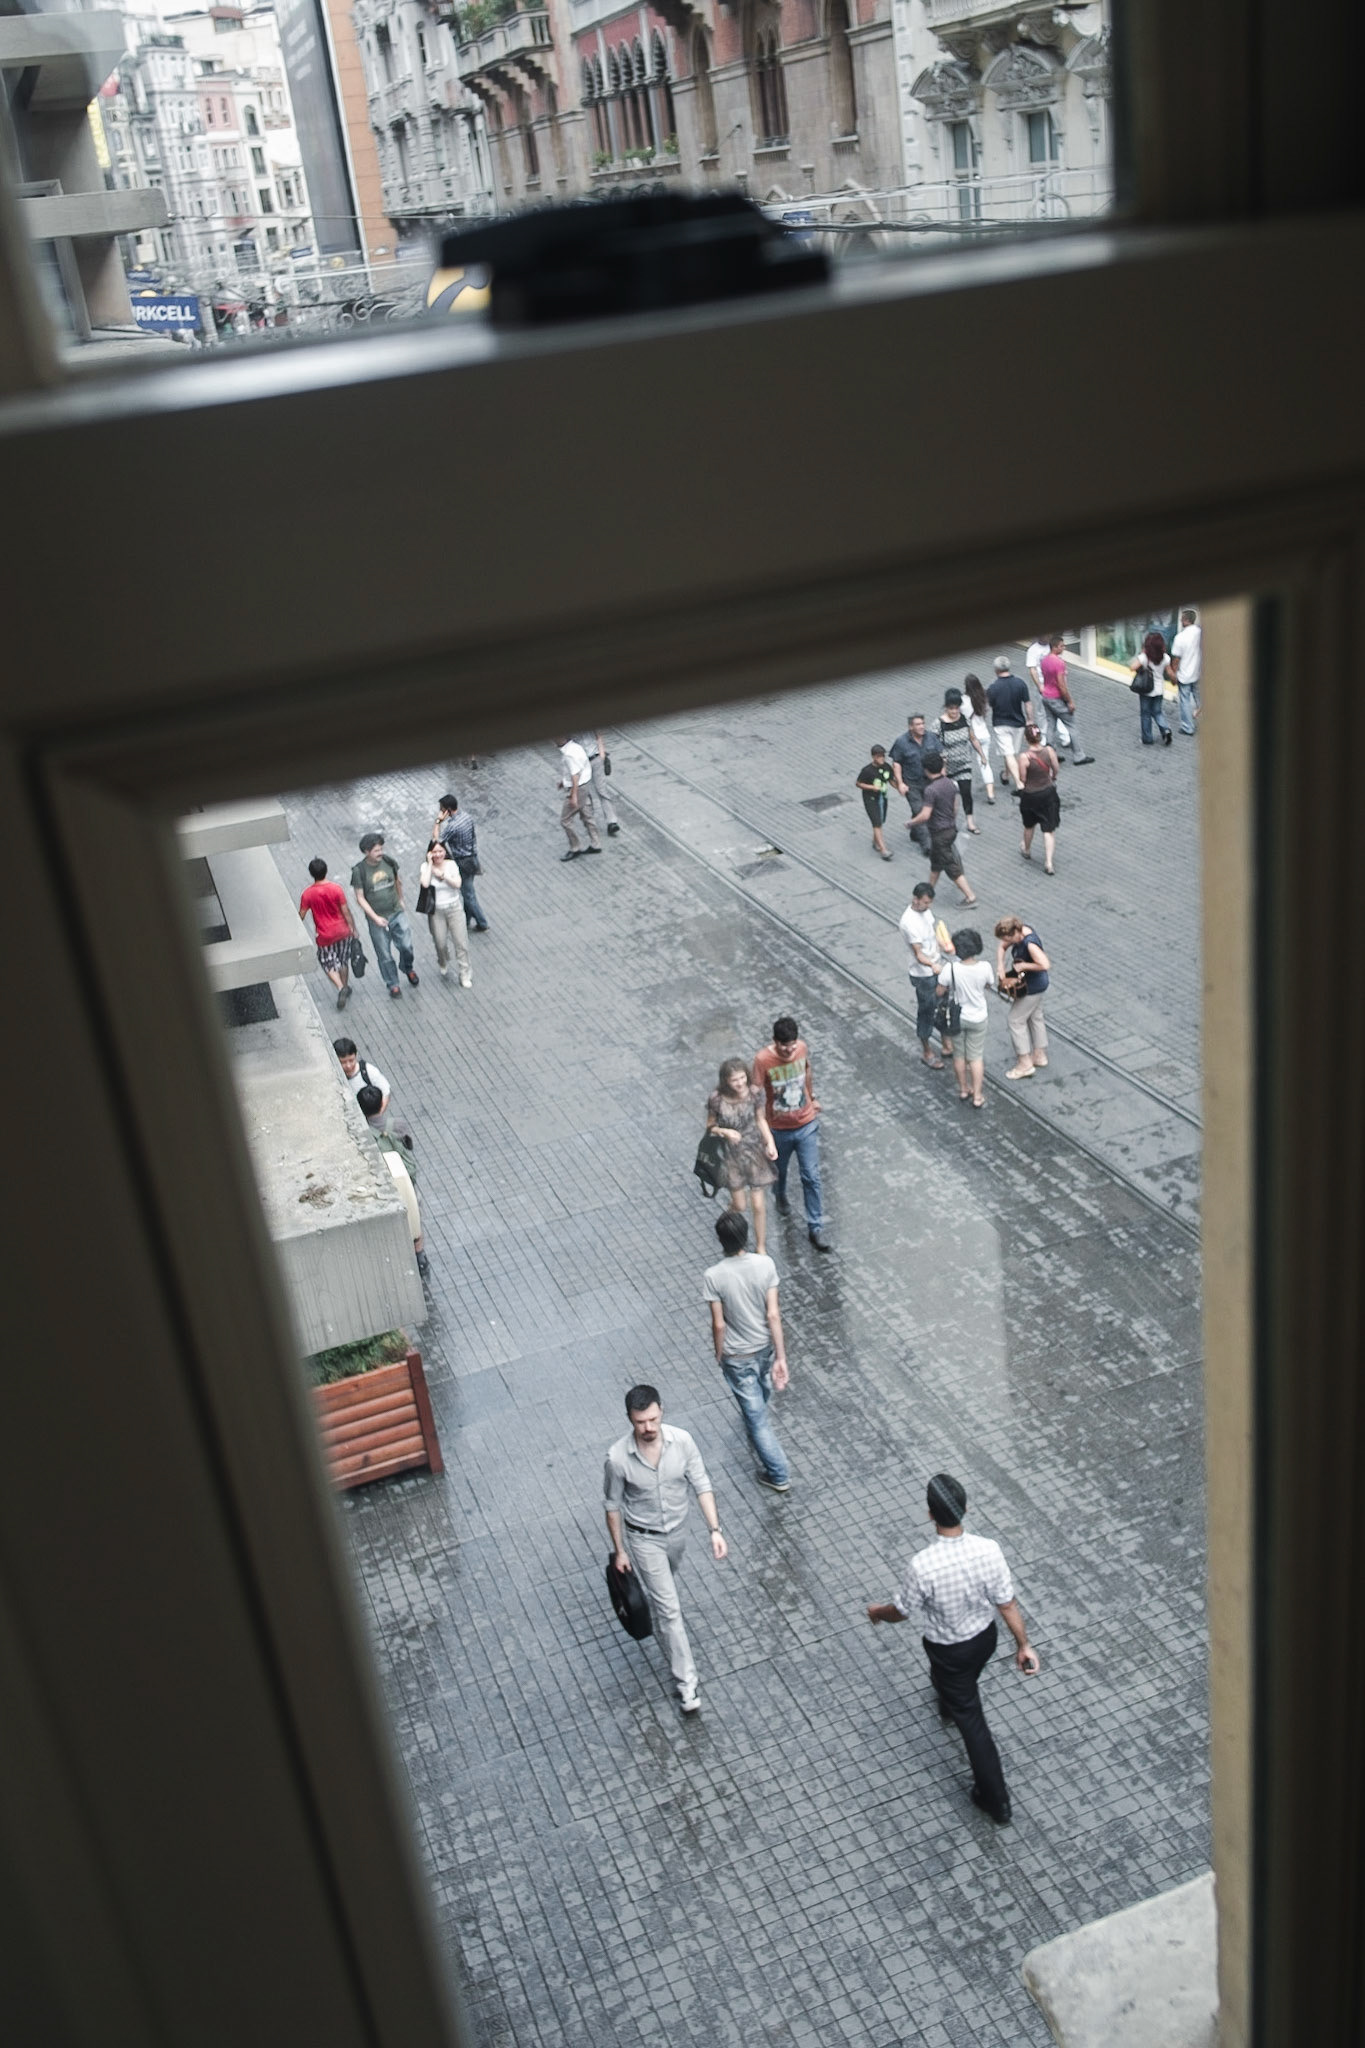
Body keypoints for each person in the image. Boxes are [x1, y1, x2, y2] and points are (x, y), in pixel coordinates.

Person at [866, 1473, 1040, 1826]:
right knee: (959, 1685)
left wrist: (878, 1613)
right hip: (983, 1641)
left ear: (930, 1514)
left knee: (972, 1723)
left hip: (947, 1649)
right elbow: (1006, 1603)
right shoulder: (988, 1549)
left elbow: (902, 1611)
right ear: (965, 1509)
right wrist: (1023, 1645)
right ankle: (949, 1703)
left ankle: (996, 1800)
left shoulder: (923, 1565)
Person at [603, 1385, 728, 1715]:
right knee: (671, 1610)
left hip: (678, 1533)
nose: (648, 1427)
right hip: (644, 1539)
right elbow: (612, 1506)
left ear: (662, 1411)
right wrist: (620, 1550)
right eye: (640, 1421)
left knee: (665, 1592)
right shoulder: (617, 1458)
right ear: (630, 1419)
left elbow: (701, 1483)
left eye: (653, 1419)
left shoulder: (682, 1442)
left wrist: (714, 1529)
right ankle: (687, 1684)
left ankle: (662, 1607)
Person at [703, 1210, 790, 1492]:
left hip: (736, 1356)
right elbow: (773, 1315)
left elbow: (718, 1324)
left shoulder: (713, 1276)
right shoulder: (765, 1265)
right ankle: (757, 1411)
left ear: (720, 1240)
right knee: (759, 1391)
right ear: (746, 1236)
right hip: (764, 1347)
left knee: (757, 1421)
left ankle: (778, 1474)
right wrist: (781, 1356)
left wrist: (719, 1353)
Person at [752, 1016, 832, 1252]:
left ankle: (815, 1226)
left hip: (806, 1124)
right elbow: (755, 1094)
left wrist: (813, 1098)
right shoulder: (762, 1060)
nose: (789, 1050)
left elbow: (807, 1072)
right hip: (778, 1129)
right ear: (774, 1041)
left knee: (811, 1176)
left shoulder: (802, 1049)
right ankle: (780, 1194)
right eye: (784, 1045)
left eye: (792, 1045)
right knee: (780, 1172)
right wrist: (760, 1127)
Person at [706, 1057, 778, 1255]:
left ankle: (761, 1246)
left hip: (753, 1150)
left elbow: (760, 1119)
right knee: (739, 1204)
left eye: (742, 1078)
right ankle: (726, 1224)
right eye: (734, 1080)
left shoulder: (755, 1094)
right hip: (731, 1155)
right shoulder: (717, 1099)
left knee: (758, 1203)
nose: (739, 1083)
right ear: (726, 1081)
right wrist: (725, 1132)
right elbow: (710, 1127)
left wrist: (770, 1142)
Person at [356, 1081, 428, 1276]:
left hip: (381, 1184)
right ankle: (419, 1256)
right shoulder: (398, 1124)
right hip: (405, 1181)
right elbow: (409, 1146)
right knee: (414, 1214)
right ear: (381, 1105)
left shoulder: (361, 1134)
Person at [350, 831, 419, 998]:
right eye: (376, 850)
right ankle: (393, 984)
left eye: (381, 849)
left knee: (406, 946)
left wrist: (401, 899)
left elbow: (397, 880)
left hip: (396, 912)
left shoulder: (388, 861)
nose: (380, 853)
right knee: (384, 954)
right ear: (366, 852)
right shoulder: (359, 871)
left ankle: (407, 967)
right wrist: (375, 918)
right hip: (377, 920)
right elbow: (360, 898)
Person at [908, 752, 978, 905]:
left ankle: (970, 897)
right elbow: (955, 806)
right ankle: (928, 891)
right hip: (950, 828)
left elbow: (926, 815)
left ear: (926, 770)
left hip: (939, 833)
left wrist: (911, 823)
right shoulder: (949, 783)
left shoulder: (930, 790)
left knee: (951, 867)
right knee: (936, 863)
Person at [938, 928, 995, 1106]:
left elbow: (939, 991)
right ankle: (978, 1096)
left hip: (957, 1017)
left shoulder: (951, 968)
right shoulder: (985, 967)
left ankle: (963, 1089)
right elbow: (988, 985)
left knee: (959, 1056)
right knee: (976, 1057)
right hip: (978, 1017)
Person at [899, 881, 952, 1070]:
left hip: (937, 966)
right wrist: (933, 965)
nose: (928, 906)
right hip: (923, 974)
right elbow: (918, 954)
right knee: (927, 1010)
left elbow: (933, 932)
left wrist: (943, 944)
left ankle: (946, 1043)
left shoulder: (925, 912)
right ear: (916, 900)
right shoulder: (909, 922)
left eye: (930, 903)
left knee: (943, 1006)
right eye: (926, 903)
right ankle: (927, 1050)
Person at [994, 915, 1051, 1080]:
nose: (1006, 942)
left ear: (1015, 933)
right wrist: (1000, 965)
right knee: (1035, 1016)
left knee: (1015, 1020)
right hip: (1036, 984)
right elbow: (1002, 947)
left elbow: (1045, 964)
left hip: (1033, 986)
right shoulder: (1020, 931)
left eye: (1008, 938)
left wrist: (1024, 965)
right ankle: (1040, 1055)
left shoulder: (1029, 944)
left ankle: (1024, 1063)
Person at [298, 856, 357, 1011]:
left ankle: (340, 987)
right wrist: (353, 928)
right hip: (342, 931)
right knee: (343, 960)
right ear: (326, 870)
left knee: (326, 961)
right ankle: (345, 985)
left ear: (311, 874)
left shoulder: (307, 894)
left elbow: (301, 916)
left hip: (325, 935)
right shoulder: (336, 889)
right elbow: (346, 911)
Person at [930, 689, 986, 835]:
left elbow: (972, 738)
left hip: (964, 762)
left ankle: (970, 822)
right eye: (951, 708)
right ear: (946, 707)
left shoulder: (965, 720)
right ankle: (949, 823)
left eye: (957, 708)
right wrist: (940, 765)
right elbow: (933, 747)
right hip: (946, 767)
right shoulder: (938, 724)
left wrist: (982, 755)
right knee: (950, 797)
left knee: (966, 792)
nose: (954, 711)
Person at [432, 793, 490, 933]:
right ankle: (467, 920)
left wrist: (438, 822)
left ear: (448, 810)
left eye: (442, 809)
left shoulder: (452, 826)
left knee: (468, 894)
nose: (440, 812)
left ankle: (482, 922)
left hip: (462, 862)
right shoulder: (467, 817)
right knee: (467, 890)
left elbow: (436, 841)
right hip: (472, 858)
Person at [419, 840, 472, 987]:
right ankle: (442, 959)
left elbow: (457, 884)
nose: (438, 855)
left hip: (454, 908)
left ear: (445, 852)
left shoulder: (451, 865)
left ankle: (465, 973)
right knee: (440, 942)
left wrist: (443, 876)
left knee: (461, 943)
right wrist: (430, 864)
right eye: (434, 852)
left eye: (440, 851)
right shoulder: (425, 867)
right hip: (436, 911)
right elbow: (424, 883)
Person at [1037, 636, 1094, 765]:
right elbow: (1062, 685)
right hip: (1056, 698)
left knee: (1051, 726)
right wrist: (1069, 701)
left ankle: (1051, 755)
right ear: (1055, 647)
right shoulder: (1059, 663)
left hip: (1046, 696)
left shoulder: (1044, 660)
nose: (1064, 648)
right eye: (1062, 646)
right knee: (1071, 725)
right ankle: (1079, 755)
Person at [1017, 723, 1061, 875]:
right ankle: (1048, 862)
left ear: (1026, 739)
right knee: (1048, 829)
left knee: (1029, 826)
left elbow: (1022, 778)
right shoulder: (1049, 751)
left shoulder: (1024, 757)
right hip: (1048, 793)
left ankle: (1027, 850)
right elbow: (1056, 768)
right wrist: (1052, 777)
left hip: (1030, 796)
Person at [986, 656, 1031, 790]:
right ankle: (1006, 775)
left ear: (996, 670)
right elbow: (1028, 704)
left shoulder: (993, 688)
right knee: (1011, 752)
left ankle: (1019, 783)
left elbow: (990, 706)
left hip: (1000, 724)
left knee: (1009, 753)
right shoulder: (1020, 683)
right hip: (1018, 723)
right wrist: (1030, 720)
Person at [889, 713, 932, 854]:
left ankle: (914, 831)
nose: (921, 727)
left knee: (926, 810)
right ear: (910, 727)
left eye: (922, 723)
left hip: (929, 781)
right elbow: (897, 764)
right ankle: (927, 845)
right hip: (911, 783)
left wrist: (942, 773)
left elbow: (941, 756)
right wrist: (900, 783)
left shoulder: (931, 737)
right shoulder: (901, 742)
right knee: (920, 810)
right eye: (918, 724)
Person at [556, 734, 602, 860]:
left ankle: (575, 847)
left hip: (578, 788)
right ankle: (596, 843)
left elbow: (575, 775)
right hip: (585, 785)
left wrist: (573, 796)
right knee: (587, 816)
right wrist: (564, 781)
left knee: (565, 820)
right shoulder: (576, 747)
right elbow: (579, 768)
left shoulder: (569, 755)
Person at [1130, 630, 1173, 745]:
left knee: (1145, 714)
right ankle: (1166, 729)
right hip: (1159, 690)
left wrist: (1142, 653)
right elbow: (1170, 673)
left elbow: (1132, 667)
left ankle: (1147, 738)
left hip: (1146, 690)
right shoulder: (1165, 658)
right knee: (1157, 712)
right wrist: (1175, 680)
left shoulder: (1144, 657)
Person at [855, 746, 895, 860]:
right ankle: (883, 850)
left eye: (883, 756)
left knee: (880, 820)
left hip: (882, 797)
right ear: (873, 757)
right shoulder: (867, 770)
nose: (882, 758)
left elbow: (891, 780)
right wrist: (871, 787)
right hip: (870, 799)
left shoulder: (887, 767)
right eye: (879, 756)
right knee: (876, 822)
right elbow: (858, 783)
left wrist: (900, 788)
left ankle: (875, 841)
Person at [963, 674, 997, 804]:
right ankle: (990, 793)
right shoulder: (983, 698)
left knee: (965, 763)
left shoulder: (963, 700)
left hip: (969, 736)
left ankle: (959, 787)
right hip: (984, 735)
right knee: (985, 763)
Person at [1168, 606, 1203, 734]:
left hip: (1185, 675)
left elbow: (1176, 660)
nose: (1180, 620)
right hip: (1198, 672)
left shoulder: (1180, 638)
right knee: (1200, 698)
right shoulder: (1200, 632)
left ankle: (1187, 727)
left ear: (1186, 620)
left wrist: (1173, 674)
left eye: (1181, 618)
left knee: (1185, 701)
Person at [333, 1037, 389, 1115]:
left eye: (351, 1060)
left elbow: (385, 1093)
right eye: (343, 1062)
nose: (348, 1066)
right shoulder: (332, 1077)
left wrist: (376, 1117)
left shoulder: (369, 1072)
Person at [580, 731, 621, 834]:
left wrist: (602, 754)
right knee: (585, 793)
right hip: (581, 763)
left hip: (595, 758)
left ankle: (612, 822)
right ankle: (590, 823)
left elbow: (599, 736)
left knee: (602, 790)